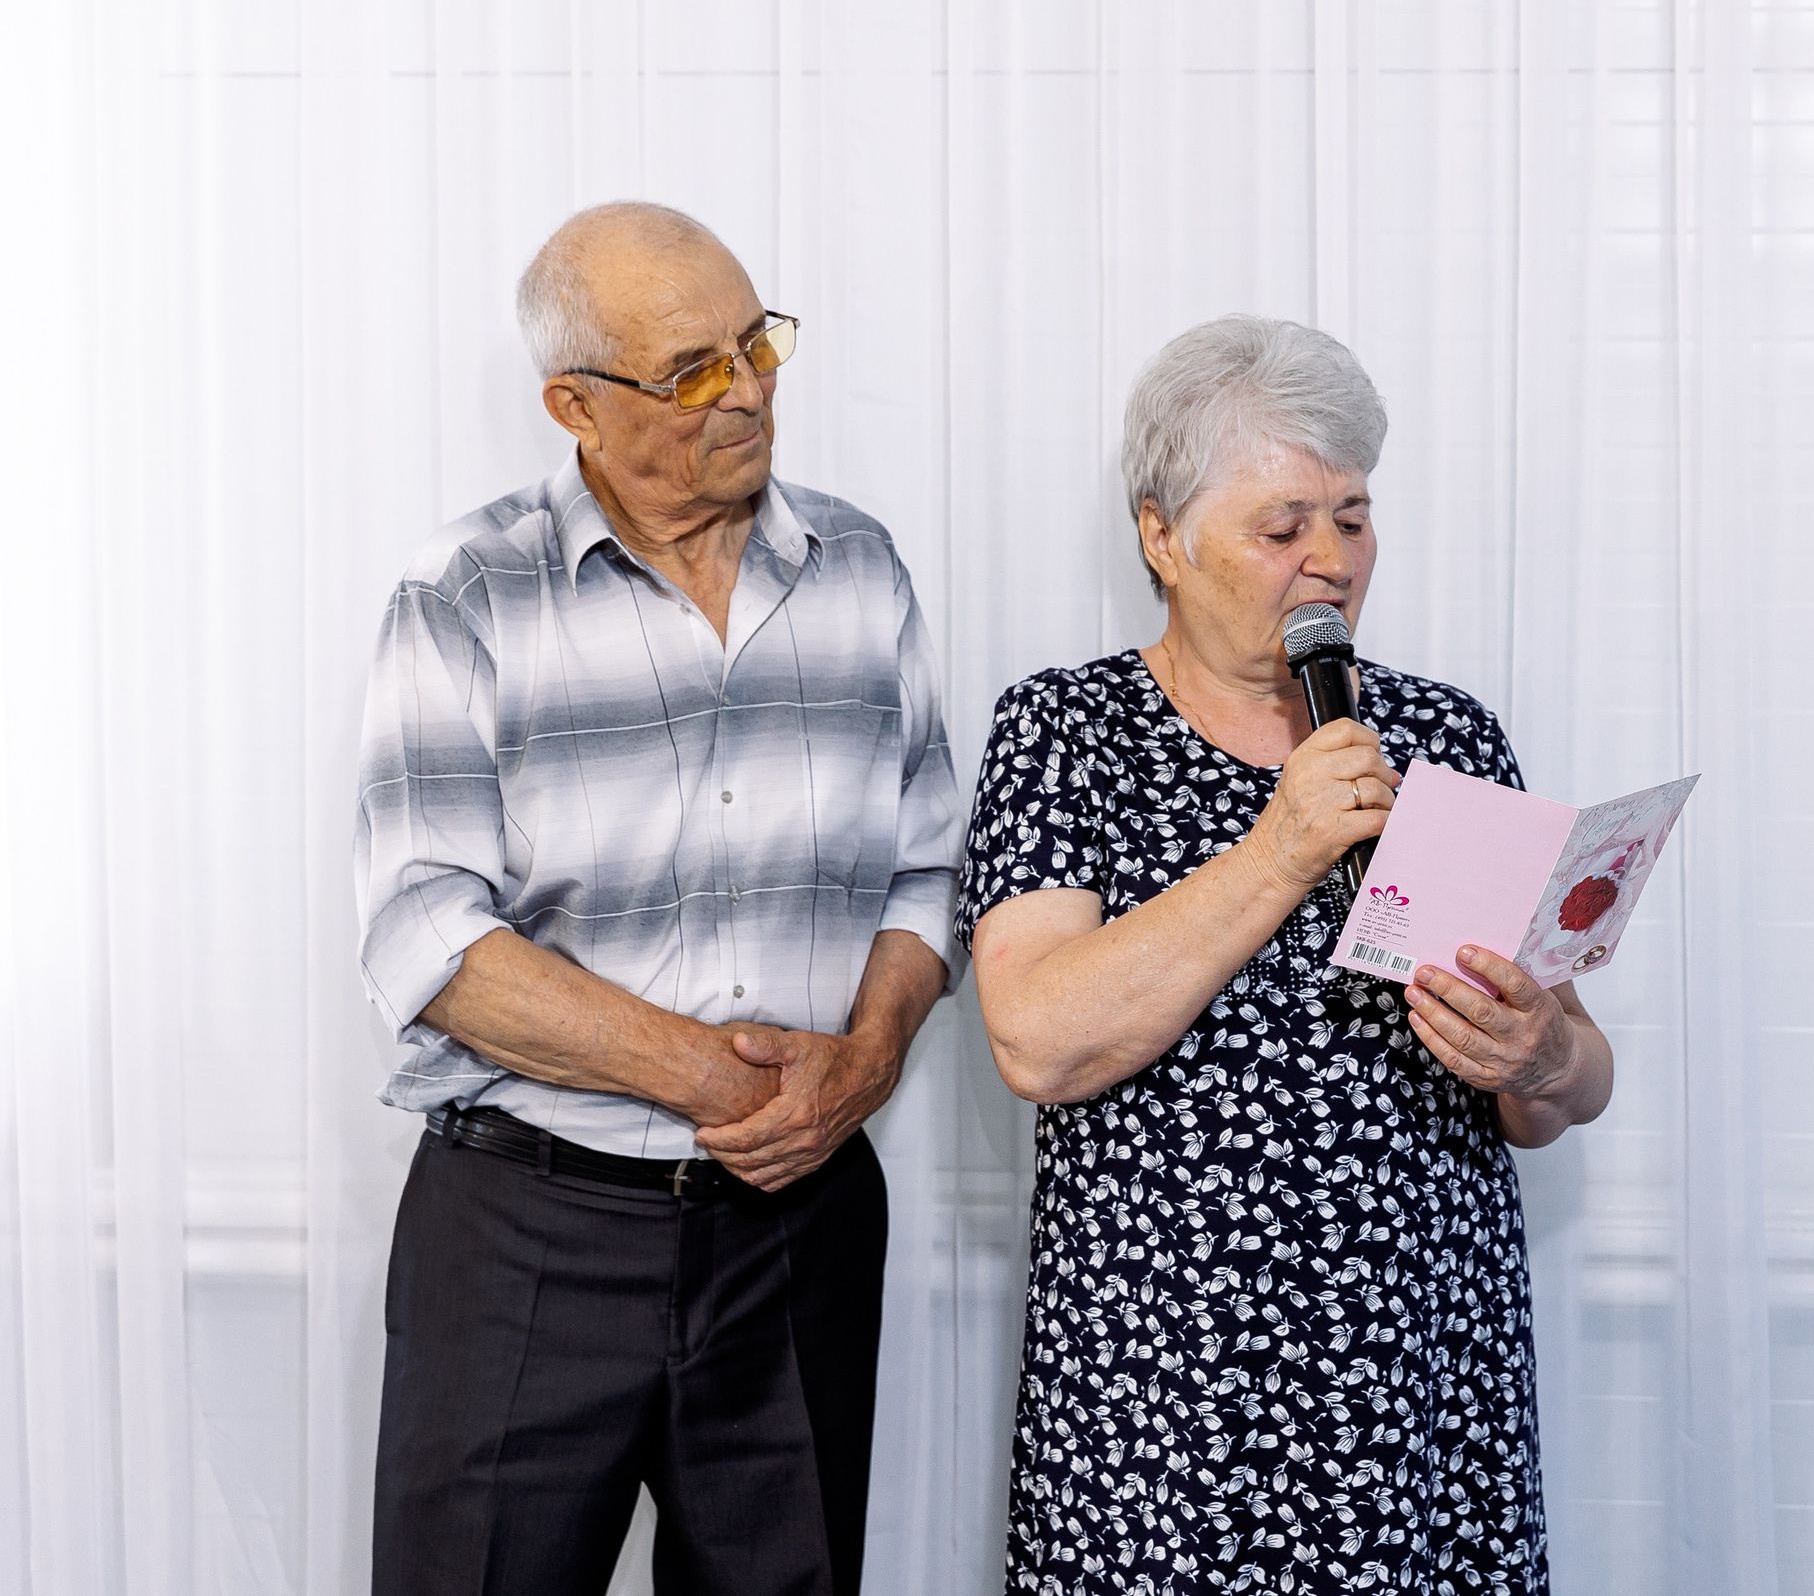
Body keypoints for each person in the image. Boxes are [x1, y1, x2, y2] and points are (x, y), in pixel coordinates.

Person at [353, 201, 959, 1595]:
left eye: (759, 344)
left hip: (798, 1229)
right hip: (525, 1230)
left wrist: (861, 1066)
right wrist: (714, 1074)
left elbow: (931, 867)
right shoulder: (467, 593)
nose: (745, 391)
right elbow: (427, 935)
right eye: (692, 370)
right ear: (574, 403)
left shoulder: (860, 570)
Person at [959, 315, 1616, 1593]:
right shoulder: (1067, 732)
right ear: (1160, 534)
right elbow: (1035, 1037)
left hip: (1421, 1393)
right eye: (1283, 527)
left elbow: (1571, 1089)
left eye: (1354, 518)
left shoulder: (1446, 735)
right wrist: (1280, 849)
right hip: (1162, 1411)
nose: (1330, 562)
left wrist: (1541, 1052)